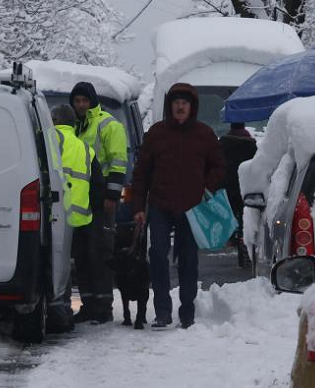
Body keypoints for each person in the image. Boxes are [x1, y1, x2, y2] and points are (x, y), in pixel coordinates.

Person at [131, 83, 225, 329]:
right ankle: (163, 310)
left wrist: (208, 187)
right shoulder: (156, 134)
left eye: (185, 102)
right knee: (158, 254)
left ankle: (187, 311)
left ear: (192, 107)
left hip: (192, 207)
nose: (180, 106)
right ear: (169, 106)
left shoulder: (204, 135)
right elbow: (141, 173)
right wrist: (139, 207)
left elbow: (218, 166)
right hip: (160, 204)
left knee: (188, 259)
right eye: (176, 102)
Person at [50, 104, 113, 325]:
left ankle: (61, 308)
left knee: (59, 263)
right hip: (83, 216)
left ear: (54, 121)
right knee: (89, 262)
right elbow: (98, 185)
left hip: (54, 215)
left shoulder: (48, 141)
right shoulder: (86, 149)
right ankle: (98, 307)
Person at [70, 82, 126, 322]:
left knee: (100, 253)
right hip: (81, 200)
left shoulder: (108, 124)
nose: (81, 105)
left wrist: (112, 196)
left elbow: (118, 162)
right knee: (81, 255)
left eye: (84, 100)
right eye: (77, 101)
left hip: (102, 199)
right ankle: (89, 303)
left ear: (92, 101)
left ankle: (104, 306)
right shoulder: (75, 126)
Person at [219, 122, 257, 268]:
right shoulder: (251, 144)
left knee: (230, 215)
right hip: (244, 186)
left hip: (227, 186)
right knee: (244, 218)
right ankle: (243, 244)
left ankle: (231, 237)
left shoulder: (223, 144)